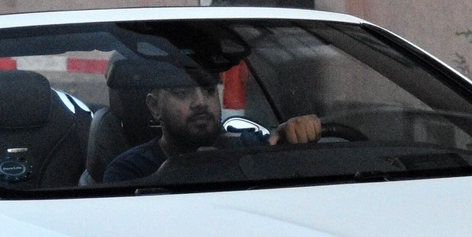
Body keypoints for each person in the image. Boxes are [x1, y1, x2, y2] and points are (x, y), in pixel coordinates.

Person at [101, 57, 320, 183]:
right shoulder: (129, 172)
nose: (200, 102)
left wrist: (289, 137)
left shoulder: (246, 146)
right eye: (182, 92)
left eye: (208, 90)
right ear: (155, 106)